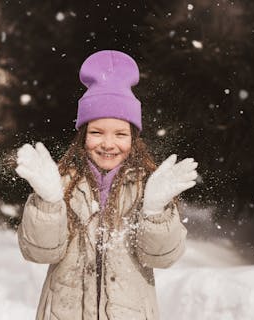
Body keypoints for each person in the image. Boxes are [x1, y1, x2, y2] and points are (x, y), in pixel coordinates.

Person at [15, 50, 198, 320]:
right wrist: (49, 203)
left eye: (121, 134)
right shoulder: (60, 183)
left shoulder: (147, 188)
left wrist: (155, 212)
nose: (108, 144)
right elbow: (41, 252)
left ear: (134, 139)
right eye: (97, 132)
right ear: (82, 136)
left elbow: (161, 258)